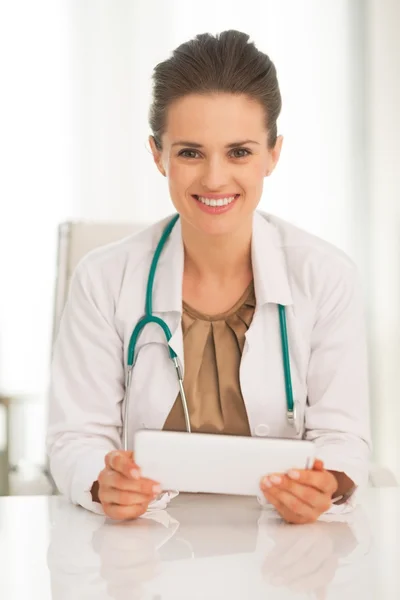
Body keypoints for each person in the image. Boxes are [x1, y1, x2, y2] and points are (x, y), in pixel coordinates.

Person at [47, 30, 371, 524]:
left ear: (273, 154)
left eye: (239, 152)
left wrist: (325, 484)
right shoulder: (102, 278)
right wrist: (101, 480)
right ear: (158, 155)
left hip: (285, 554)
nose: (215, 178)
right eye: (190, 153)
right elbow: (76, 437)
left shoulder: (325, 277)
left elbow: (343, 439)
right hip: (139, 552)